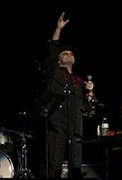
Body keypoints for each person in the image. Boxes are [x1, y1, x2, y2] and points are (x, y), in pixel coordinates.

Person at [41, 12, 96, 178]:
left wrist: (90, 94)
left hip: (76, 123)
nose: (68, 55)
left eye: (71, 54)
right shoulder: (54, 72)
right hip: (57, 122)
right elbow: (52, 49)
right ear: (58, 60)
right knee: (55, 162)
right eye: (64, 53)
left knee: (76, 163)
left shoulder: (79, 81)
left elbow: (89, 109)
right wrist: (58, 29)